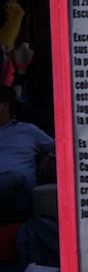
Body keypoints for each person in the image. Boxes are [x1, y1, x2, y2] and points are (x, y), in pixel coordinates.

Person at [0, 86, 53, 224]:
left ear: (4, 106)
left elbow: (63, 146)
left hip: (18, 190)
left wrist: (49, 156)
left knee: (13, 177)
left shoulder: (28, 130)